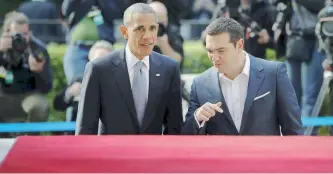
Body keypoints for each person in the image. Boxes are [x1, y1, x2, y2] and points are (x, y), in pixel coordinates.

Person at [181, 17, 304, 135]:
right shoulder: (200, 84)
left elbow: (293, 129)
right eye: (210, 51)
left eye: (221, 50)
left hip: (265, 155)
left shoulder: (273, 73)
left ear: (239, 45)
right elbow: (186, 136)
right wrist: (197, 117)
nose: (215, 57)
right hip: (221, 156)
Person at [76, 3, 183, 135]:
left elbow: (174, 128)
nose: (148, 36)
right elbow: (85, 128)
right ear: (124, 32)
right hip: (110, 154)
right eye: (140, 29)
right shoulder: (99, 69)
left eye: (152, 28)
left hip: (153, 154)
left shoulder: (169, 69)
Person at [0, 11, 52, 125]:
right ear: (6, 32)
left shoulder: (38, 49)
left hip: (28, 95)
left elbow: (47, 88)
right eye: (17, 34)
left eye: (26, 33)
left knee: (39, 106)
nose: (22, 38)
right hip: (3, 95)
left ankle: (30, 139)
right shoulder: (2, 46)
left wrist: (38, 72)